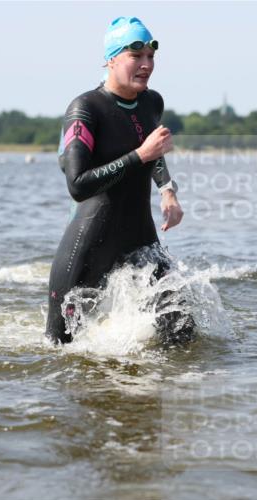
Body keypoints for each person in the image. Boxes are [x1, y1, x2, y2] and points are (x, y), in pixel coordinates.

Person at [45, 16, 187, 344]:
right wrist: (140, 155)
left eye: (151, 56)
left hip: (139, 235)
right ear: (111, 60)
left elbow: (153, 149)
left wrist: (167, 190)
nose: (146, 64)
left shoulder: (152, 101)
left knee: (181, 332)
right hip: (90, 242)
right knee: (62, 347)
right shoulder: (85, 108)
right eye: (136, 56)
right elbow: (77, 184)